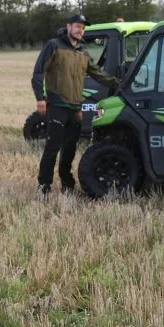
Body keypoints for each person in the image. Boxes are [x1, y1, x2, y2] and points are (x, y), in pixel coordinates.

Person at [31, 14, 119, 194]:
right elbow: (38, 72)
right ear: (69, 26)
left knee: (70, 149)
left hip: (75, 108)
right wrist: (40, 98)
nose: (81, 30)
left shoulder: (83, 51)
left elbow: (97, 73)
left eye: (83, 28)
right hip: (57, 105)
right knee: (52, 147)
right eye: (78, 26)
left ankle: (67, 182)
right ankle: (44, 185)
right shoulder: (54, 45)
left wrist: (119, 84)